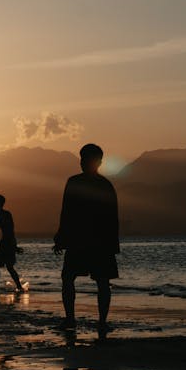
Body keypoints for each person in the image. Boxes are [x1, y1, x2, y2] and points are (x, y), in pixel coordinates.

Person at [53, 143, 119, 337]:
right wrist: (61, 237)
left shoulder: (82, 183)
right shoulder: (101, 184)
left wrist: (62, 237)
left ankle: (91, 320)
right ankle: (83, 320)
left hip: (90, 240)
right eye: (81, 159)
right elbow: (67, 213)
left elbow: (111, 217)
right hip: (87, 241)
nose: (83, 162)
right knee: (84, 280)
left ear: (98, 162)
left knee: (95, 281)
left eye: (87, 159)